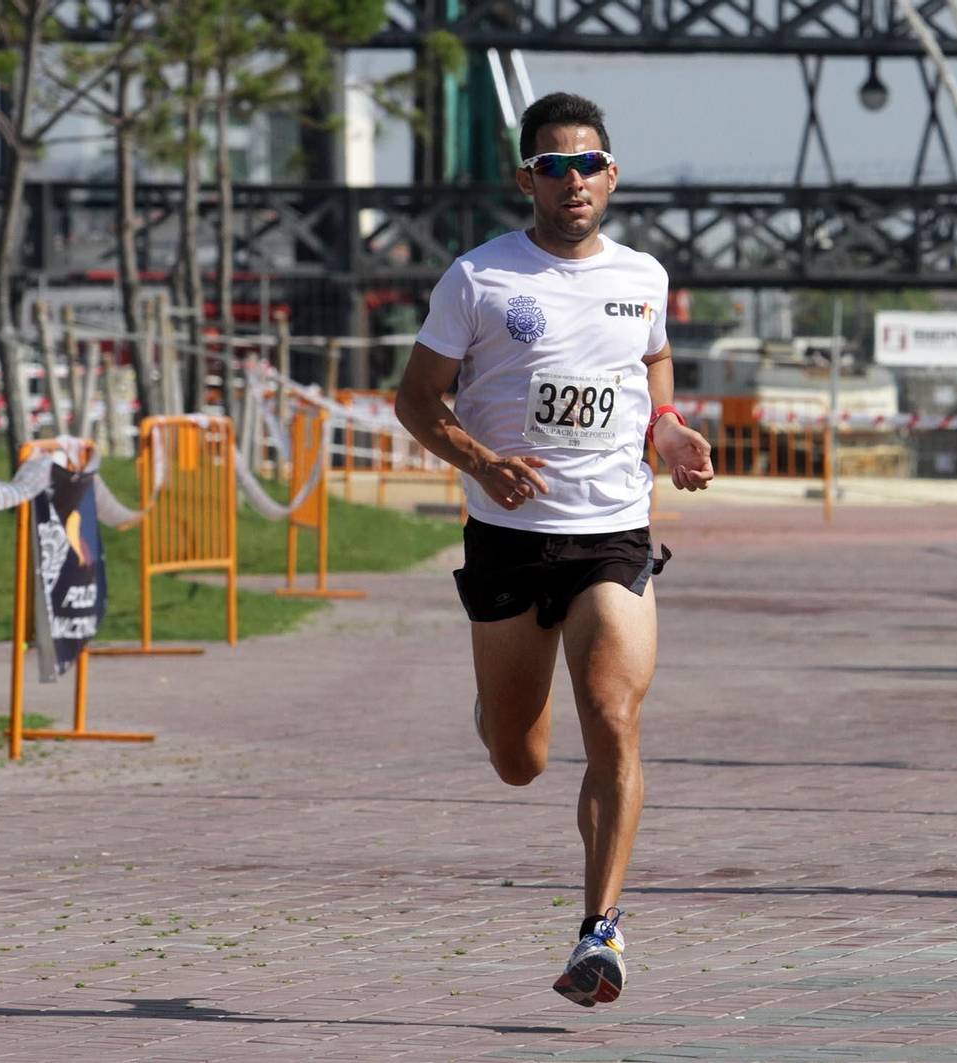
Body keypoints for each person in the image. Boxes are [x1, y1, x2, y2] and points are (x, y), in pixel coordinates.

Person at [394, 91, 714, 1005]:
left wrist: (669, 426)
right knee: (518, 757)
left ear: (612, 175)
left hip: (612, 532)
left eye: (588, 165)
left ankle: (600, 932)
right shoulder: (478, 279)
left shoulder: (643, 276)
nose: (571, 181)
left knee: (613, 717)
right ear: (525, 176)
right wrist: (482, 461)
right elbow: (416, 401)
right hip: (506, 536)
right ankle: (499, 717)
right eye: (552, 166)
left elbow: (650, 360)